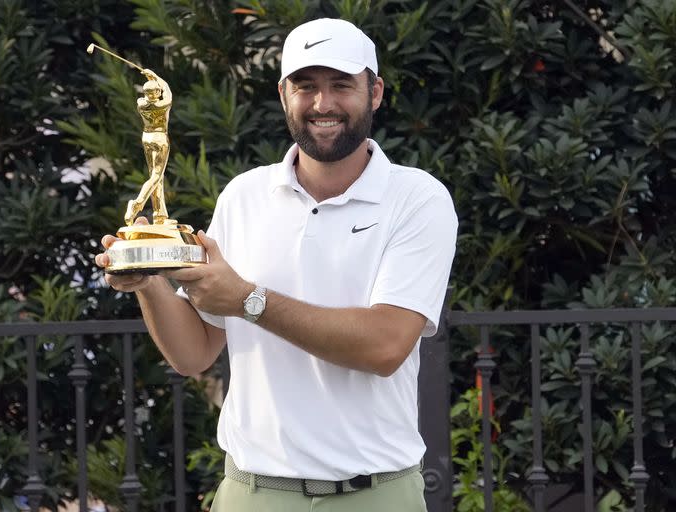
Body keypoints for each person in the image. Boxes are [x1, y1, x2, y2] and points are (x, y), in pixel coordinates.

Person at [96, 18, 457, 512]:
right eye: (306, 86)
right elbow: (194, 354)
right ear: (284, 94)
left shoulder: (417, 198)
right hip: (252, 493)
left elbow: (386, 345)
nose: (323, 104)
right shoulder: (244, 194)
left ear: (374, 93)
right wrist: (147, 282)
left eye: (341, 85)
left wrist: (249, 300)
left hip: (374, 495)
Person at [124, 68, 172, 226]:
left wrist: (150, 79)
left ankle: (159, 213)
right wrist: (155, 75)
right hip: (160, 138)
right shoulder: (163, 104)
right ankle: (137, 204)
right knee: (156, 176)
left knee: (155, 177)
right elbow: (167, 89)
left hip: (146, 138)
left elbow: (156, 92)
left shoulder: (141, 104)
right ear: (157, 92)